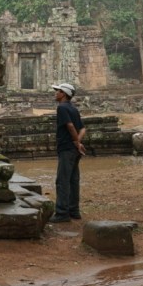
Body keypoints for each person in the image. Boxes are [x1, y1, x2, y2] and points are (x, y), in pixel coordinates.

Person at [50, 82, 85, 223]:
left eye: (57, 91)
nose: (55, 93)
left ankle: (62, 213)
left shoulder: (62, 108)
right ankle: (74, 211)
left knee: (63, 181)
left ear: (63, 93)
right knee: (73, 179)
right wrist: (78, 143)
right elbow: (83, 129)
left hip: (66, 148)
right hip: (74, 149)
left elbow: (70, 126)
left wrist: (76, 142)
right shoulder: (73, 109)